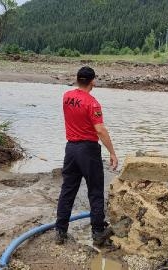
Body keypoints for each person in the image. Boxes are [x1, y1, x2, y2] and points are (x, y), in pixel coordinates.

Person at [55, 66, 118, 246]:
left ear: (77, 79)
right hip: (88, 150)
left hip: (71, 149)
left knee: (68, 190)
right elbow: (100, 130)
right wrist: (112, 152)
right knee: (95, 191)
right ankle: (98, 232)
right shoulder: (92, 103)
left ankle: (60, 231)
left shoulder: (67, 97)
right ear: (93, 81)